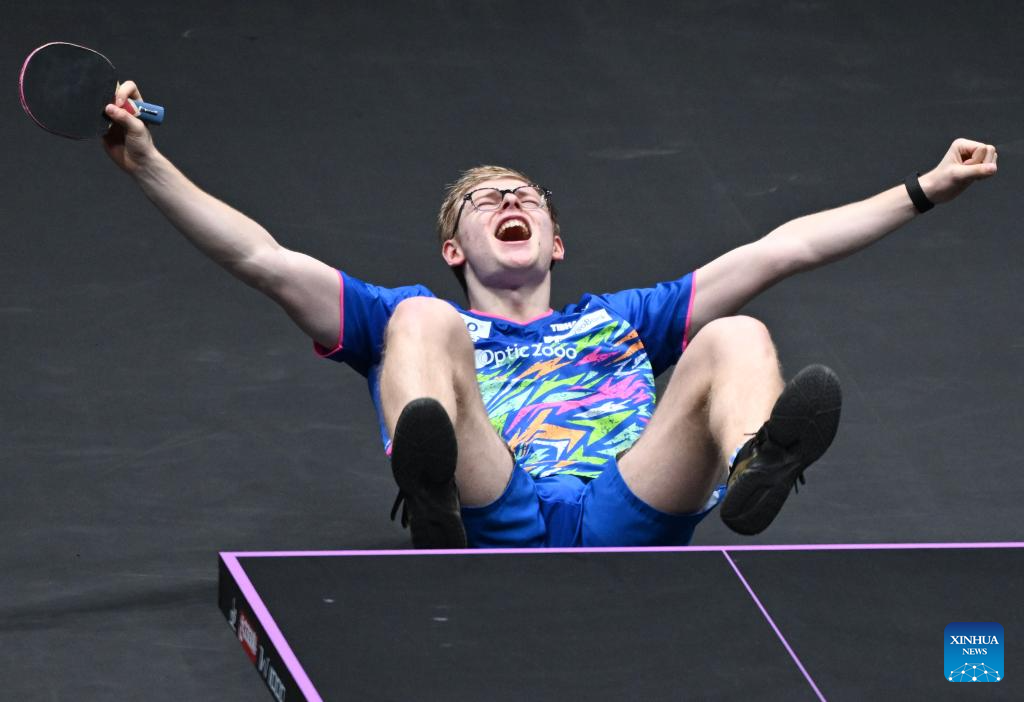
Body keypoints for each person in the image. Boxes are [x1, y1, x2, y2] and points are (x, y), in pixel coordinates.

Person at [102, 82, 998, 549]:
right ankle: (432, 491)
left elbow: (781, 249)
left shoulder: (629, 320)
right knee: (420, 324)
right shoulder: (403, 315)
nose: (509, 200)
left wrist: (924, 188)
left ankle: (754, 467)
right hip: (495, 502)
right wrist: (146, 162)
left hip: (627, 505)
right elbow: (260, 257)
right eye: (485, 200)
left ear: (555, 243)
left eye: (525, 195)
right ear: (455, 249)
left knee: (738, 334)